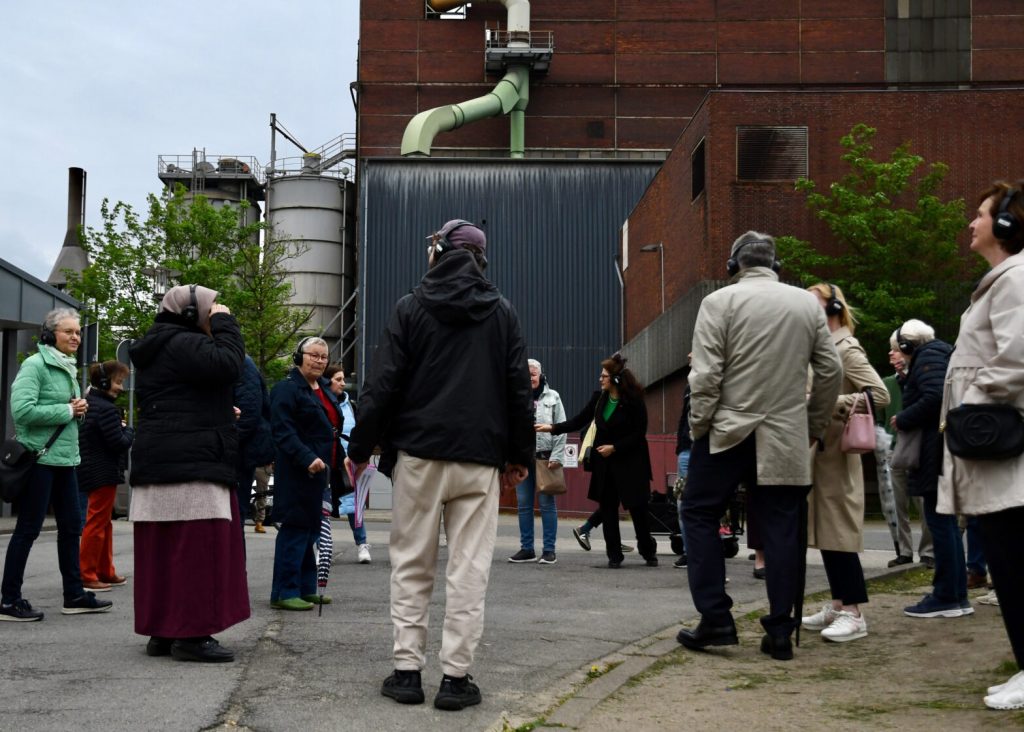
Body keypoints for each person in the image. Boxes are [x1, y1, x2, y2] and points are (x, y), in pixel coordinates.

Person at [345, 218, 533, 712]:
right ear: (479, 259)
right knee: (469, 569)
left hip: (419, 456)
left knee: (411, 563)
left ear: (438, 252)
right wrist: (518, 457)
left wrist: (360, 448)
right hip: (479, 460)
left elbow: (383, 383)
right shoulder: (502, 313)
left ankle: (407, 673)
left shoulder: (411, 307)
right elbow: (518, 388)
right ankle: (456, 679)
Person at [677, 231, 842, 662]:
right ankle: (780, 630)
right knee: (782, 526)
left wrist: (700, 428)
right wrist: (812, 424)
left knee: (698, 512)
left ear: (734, 266)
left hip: (727, 432)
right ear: (776, 265)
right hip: (785, 434)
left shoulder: (719, 303)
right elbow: (830, 371)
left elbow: (706, 376)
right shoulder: (807, 304)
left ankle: (716, 618)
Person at [938, 181, 1024, 710]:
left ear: (1008, 226)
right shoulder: (1002, 282)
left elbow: (1019, 358)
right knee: (1007, 561)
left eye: (981, 214)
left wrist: (972, 398)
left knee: (1015, 562)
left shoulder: (1015, 281)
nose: (972, 222)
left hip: (1002, 448)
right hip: (993, 449)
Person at [129, 285, 248, 661]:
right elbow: (231, 363)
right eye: (210, 308)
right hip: (192, 463)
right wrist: (225, 322)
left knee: (162, 554)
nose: (215, 312)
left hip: (161, 460)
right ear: (189, 313)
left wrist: (214, 410)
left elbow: (181, 396)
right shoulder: (183, 342)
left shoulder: (162, 345)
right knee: (199, 553)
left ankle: (163, 631)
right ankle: (193, 635)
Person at [1, 309, 113, 621]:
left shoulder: (67, 368)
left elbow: (66, 413)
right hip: (40, 459)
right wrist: (66, 410)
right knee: (28, 529)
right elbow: (21, 411)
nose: (76, 337)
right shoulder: (35, 366)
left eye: (77, 332)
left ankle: (74, 595)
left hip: (65, 460)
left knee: (71, 529)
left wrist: (77, 409)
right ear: (51, 335)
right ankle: (9, 600)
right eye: (68, 332)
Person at [800, 283, 888, 643]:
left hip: (837, 453)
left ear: (834, 306)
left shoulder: (846, 347)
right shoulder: (821, 346)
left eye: (813, 302)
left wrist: (831, 400)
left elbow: (878, 393)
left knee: (839, 532)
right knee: (826, 532)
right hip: (822, 454)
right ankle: (839, 603)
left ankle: (854, 611)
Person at [538, 354, 657, 568]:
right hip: (606, 464)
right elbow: (579, 420)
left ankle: (648, 551)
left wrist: (615, 447)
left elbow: (639, 433)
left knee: (638, 509)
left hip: (630, 463)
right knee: (608, 508)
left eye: (604, 376)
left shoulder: (633, 400)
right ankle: (614, 556)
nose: (600, 379)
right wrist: (553, 428)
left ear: (616, 379)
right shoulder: (599, 398)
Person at [890, 319, 967, 620]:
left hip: (933, 452)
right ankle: (956, 595)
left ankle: (947, 595)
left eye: (898, 348)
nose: (897, 354)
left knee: (940, 525)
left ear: (909, 344)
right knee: (944, 525)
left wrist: (904, 417)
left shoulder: (929, 357)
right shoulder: (935, 355)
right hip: (939, 450)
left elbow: (935, 397)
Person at [269, 337, 344, 610]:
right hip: (298, 471)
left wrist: (342, 460)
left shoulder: (322, 389)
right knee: (295, 530)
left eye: (323, 357)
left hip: (321, 472)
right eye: (313, 355)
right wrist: (306, 457)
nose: (319, 361)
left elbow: (330, 430)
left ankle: (305, 587)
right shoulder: (287, 389)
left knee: (311, 530)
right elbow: (282, 431)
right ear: (299, 356)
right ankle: (283, 592)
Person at [77, 359, 134, 592]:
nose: (121, 387)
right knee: (97, 523)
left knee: (103, 524)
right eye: (118, 381)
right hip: (103, 471)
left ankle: (104, 570)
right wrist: (128, 429)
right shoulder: (107, 409)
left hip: (92, 469)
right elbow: (119, 443)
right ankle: (88, 574)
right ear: (104, 382)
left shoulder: (91, 403)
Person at [508, 359, 566, 565]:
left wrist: (557, 456)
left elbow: (560, 427)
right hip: (522, 458)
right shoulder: (516, 398)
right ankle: (527, 549)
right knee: (523, 505)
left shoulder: (553, 397)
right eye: (527, 374)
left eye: (533, 374)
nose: (530, 377)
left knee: (546, 505)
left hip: (545, 457)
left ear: (540, 375)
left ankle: (549, 550)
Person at [885, 335, 934, 568]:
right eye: (890, 351)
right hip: (893, 449)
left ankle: (928, 552)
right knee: (897, 504)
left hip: (916, 448)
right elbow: (879, 418)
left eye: (895, 350)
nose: (891, 354)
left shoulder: (920, 380)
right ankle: (904, 551)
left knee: (923, 502)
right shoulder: (887, 384)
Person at [324, 363, 371, 564]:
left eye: (343, 379)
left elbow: (361, 432)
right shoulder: (321, 402)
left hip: (349, 462)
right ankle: (322, 548)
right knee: (324, 506)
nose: (343, 383)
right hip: (328, 460)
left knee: (354, 505)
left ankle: (362, 544)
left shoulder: (351, 405)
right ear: (328, 381)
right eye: (338, 379)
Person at [234, 355, 276, 538]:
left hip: (237, 454)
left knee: (234, 516)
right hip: (240, 451)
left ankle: (235, 566)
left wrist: (225, 442)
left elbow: (249, 413)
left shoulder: (240, 362)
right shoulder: (239, 362)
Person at [672, 356, 693, 569]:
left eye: (693, 352)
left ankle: (700, 552)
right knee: (682, 502)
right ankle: (688, 551)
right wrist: (680, 445)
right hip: (686, 450)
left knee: (701, 502)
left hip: (703, 450)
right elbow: (683, 419)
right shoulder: (689, 385)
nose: (688, 356)